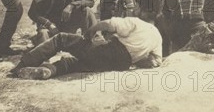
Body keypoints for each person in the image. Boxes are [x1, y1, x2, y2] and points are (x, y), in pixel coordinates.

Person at [13, 17, 163, 80]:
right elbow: (155, 61)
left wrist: (88, 34)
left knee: (62, 38)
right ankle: (48, 70)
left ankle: (23, 64)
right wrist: (135, 61)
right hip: (120, 65)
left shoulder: (136, 22)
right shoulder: (157, 38)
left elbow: (106, 24)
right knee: (75, 63)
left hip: (110, 51)